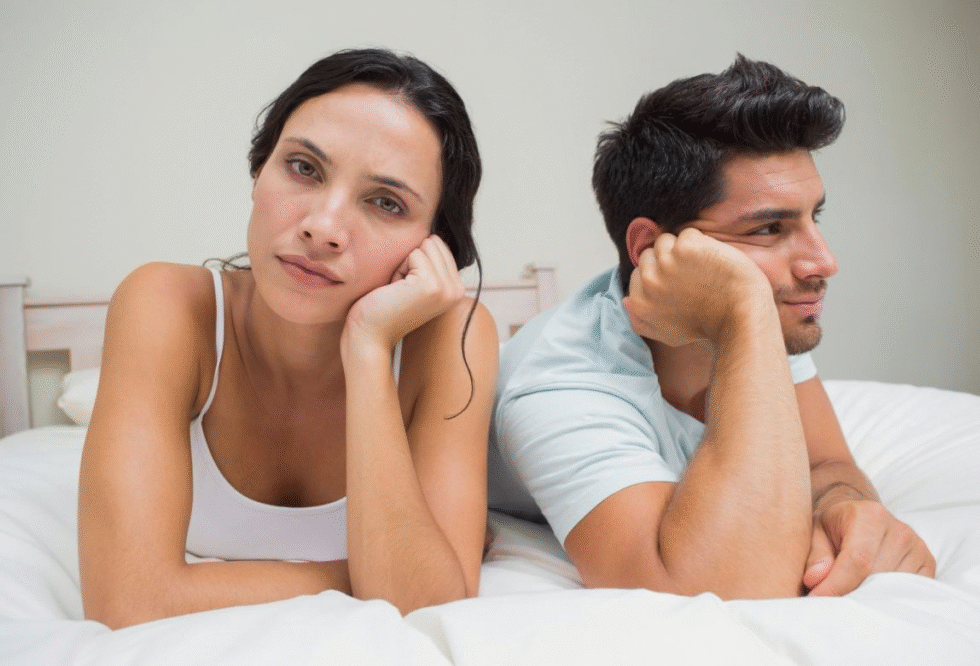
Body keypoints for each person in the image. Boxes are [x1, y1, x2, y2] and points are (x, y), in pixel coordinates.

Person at [78, 48, 498, 629]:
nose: (323, 228)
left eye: (386, 203)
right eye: (303, 168)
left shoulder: (453, 338)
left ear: (433, 246)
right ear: (259, 172)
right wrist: (371, 575)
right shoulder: (167, 305)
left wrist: (369, 349)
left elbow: (438, 607)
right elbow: (128, 602)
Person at [488, 55, 935, 599]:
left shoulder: (760, 314)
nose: (823, 262)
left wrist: (842, 504)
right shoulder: (559, 386)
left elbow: (826, 462)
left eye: (812, 217)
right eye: (768, 229)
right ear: (652, 248)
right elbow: (708, 587)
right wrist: (745, 310)